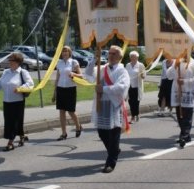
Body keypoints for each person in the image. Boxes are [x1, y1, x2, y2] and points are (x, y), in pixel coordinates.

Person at [84, 45, 130, 173]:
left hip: (114, 105)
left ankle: (111, 162)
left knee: (114, 133)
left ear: (119, 57)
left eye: (114, 53)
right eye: (109, 53)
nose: (110, 55)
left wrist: (103, 89)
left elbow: (122, 87)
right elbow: (87, 73)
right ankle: (113, 150)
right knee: (102, 132)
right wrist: (95, 58)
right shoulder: (102, 68)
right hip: (101, 104)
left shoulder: (122, 71)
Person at [0, 52, 34, 151]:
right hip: (7, 101)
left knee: (14, 122)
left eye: (12, 61)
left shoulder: (22, 72)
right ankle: (22, 136)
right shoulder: (6, 72)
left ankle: (10, 142)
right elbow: (0, 81)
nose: (10, 62)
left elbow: (30, 83)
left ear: (18, 62)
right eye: (9, 61)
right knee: (10, 121)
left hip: (18, 101)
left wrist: (20, 88)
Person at [166, 53, 194, 147]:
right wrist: (174, 65)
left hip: (188, 92)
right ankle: (186, 135)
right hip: (177, 93)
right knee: (180, 116)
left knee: (187, 116)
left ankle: (183, 136)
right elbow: (169, 75)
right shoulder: (176, 62)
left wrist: (185, 81)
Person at [53, 46, 83, 141]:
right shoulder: (59, 63)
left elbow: (81, 76)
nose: (64, 53)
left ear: (70, 52)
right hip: (61, 88)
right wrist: (54, 92)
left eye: (66, 51)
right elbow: (57, 78)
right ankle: (63, 133)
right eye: (63, 51)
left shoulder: (74, 62)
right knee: (61, 111)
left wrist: (74, 74)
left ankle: (78, 126)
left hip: (70, 89)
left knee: (71, 111)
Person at [125, 51, 146, 123]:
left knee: (136, 102)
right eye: (131, 56)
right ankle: (134, 115)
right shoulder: (128, 65)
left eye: (134, 57)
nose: (132, 58)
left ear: (137, 57)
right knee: (130, 101)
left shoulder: (140, 65)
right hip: (129, 86)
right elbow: (125, 74)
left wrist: (142, 75)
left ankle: (134, 116)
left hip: (137, 86)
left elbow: (144, 76)